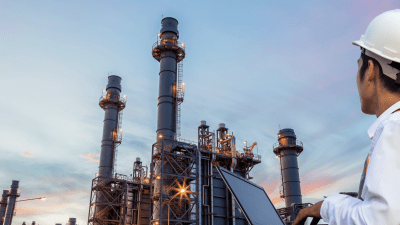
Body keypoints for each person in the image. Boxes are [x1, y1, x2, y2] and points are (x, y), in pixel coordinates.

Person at [293, 9, 400, 225]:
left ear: (370, 70)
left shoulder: (393, 129)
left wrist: (331, 205)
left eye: (359, 66)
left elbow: (381, 220)